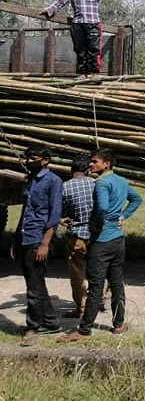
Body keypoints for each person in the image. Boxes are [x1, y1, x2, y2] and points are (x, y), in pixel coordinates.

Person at [59, 148, 142, 342]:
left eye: (95, 162)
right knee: (116, 281)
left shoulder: (102, 183)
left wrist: (98, 224)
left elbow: (102, 208)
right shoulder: (121, 181)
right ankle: (118, 324)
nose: (91, 164)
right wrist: (123, 216)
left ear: (107, 164)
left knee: (96, 285)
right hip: (118, 239)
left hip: (102, 240)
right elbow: (136, 199)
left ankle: (84, 330)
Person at [11, 145, 63, 345]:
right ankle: (50, 322)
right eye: (27, 157)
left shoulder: (53, 181)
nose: (28, 161)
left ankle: (32, 327)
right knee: (36, 282)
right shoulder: (31, 181)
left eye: (33, 157)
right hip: (25, 236)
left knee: (33, 286)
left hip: (38, 240)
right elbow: (25, 213)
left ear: (45, 160)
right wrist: (15, 240)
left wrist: (45, 243)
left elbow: (54, 215)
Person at [40, 0, 114, 76]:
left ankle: (94, 75)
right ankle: (81, 74)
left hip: (93, 23)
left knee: (93, 51)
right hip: (78, 24)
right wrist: (49, 10)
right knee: (80, 51)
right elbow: (60, 2)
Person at [60, 155, 103, 318]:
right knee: (98, 269)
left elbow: (62, 211)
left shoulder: (66, 186)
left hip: (77, 235)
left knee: (77, 273)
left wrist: (63, 219)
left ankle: (82, 308)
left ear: (72, 170)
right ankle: (99, 300)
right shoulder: (97, 184)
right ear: (87, 170)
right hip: (98, 234)